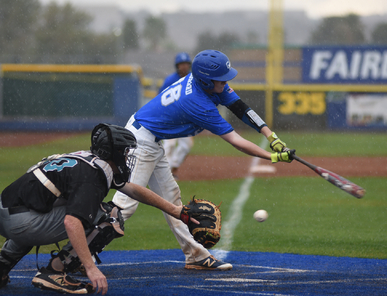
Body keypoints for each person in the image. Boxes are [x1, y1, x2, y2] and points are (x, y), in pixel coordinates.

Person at [112, 49, 295, 271]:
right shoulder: (197, 102)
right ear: (207, 81)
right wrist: (272, 156)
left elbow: (241, 109)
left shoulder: (209, 84)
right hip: (140, 142)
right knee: (125, 206)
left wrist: (270, 135)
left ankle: (196, 255)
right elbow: (235, 140)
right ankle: (75, 255)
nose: (226, 82)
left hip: (150, 138)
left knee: (172, 199)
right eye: (221, 79)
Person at [0, 123, 200, 295]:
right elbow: (72, 222)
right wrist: (91, 267)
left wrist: (176, 211)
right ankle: (55, 272)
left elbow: (134, 190)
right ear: (112, 153)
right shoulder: (93, 175)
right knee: (110, 217)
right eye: (125, 153)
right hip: (20, 222)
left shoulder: (88, 159)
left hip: (3, 212)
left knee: (48, 206)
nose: (127, 158)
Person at [159, 52, 194, 178]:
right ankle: (165, 173)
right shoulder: (170, 80)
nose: (184, 66)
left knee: (186, 146)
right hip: (170, 118)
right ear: (177, 66)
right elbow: (160, 99)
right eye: (181, 64)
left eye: (186, 64)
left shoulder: (193, 79)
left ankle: (174, 168)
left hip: (185, 119)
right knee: (170, 145)